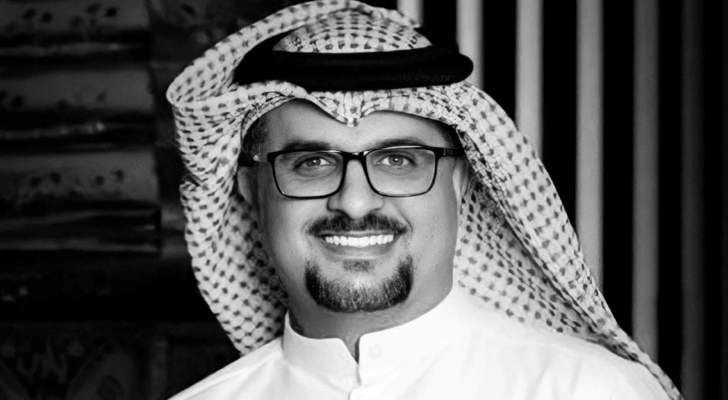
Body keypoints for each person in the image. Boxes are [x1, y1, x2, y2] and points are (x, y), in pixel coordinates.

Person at [166, 1, 682, 399]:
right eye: (312, 163)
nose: (355, 202)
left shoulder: (587, 389)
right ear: (250, 189)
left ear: (458, 182)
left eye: (398, 160)